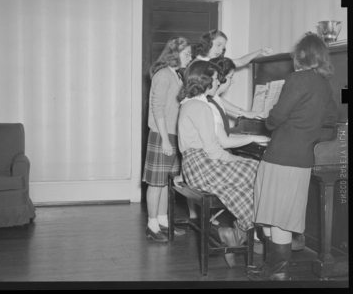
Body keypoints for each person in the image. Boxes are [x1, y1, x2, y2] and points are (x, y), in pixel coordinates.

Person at [246, 32, 339, 281]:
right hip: (301, 160)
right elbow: (332, 118)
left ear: (300, 57)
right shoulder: (323, 84)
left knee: (274, 219)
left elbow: (275, 118)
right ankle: (272, 267)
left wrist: (279, 122)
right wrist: (308, 130)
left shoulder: (297, 79)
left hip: (280, 158)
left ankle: (277, 272)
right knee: (280, 218)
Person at [177, 60, 268, 267]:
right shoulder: (201, 107)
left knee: (248, 184)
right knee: (258, 169)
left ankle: (234, 234)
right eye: (217, 78)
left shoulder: (191, 103)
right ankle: (243, 233)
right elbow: (214, 150)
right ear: (206, 80)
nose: (220, 82)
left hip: (196, 166)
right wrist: (239, 159)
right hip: (204, 166)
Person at [142, 36, 193, 242]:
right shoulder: (163, 75)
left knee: (164, 184)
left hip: (172, 134)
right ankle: (152, 225)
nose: (191, 57)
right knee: (155, 183)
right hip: (162, 134)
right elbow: (157, 108)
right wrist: (164, 139)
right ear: (175, 54)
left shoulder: (177, 76)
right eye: (187, 53)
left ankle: (163, 223)